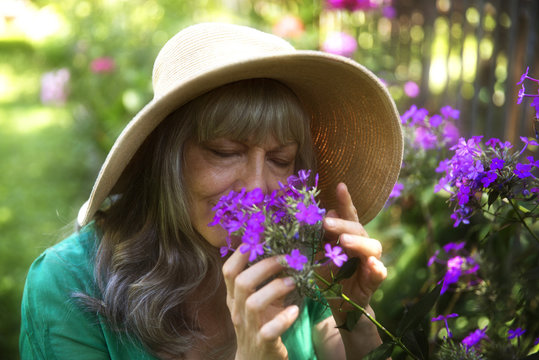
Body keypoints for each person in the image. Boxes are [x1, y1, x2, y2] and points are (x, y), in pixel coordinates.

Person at [20, 23, 403, 360]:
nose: (256, 187)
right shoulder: (67, 285)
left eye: (280, 159)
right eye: (225, 152)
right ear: (166, 157)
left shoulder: (297, 264)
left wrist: (354, 314)